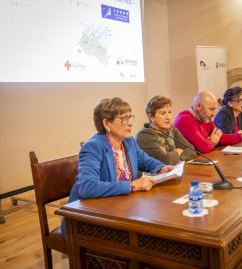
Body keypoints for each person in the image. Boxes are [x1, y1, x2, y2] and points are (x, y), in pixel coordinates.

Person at [62, 97, 174, 236]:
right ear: (106, 123)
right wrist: (132, 186)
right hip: (88, 218)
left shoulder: (128, 141)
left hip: (121, 208)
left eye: (130, 117)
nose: (130, 124)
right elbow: (87, 187)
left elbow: (145, 160)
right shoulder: (93, 147)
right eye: (123, 119)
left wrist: (162, 168)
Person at [174, 90, 242, 154]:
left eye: (215, 109)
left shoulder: (204, 117)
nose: (214, 114)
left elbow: (221, 138)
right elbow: (203, 148)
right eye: (211, 109)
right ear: (198, 106)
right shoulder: (184, 119)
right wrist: (213, 142)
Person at [136, 95, 197, 164]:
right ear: (151, 117)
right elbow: (166, 161)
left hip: (174, 171)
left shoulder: (171, 129)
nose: (168, 117)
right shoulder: (144, 136)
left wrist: (174, 156)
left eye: (169, 112)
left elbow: (192, 150)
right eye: (163, 113)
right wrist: (178, 151)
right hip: (155, 174)